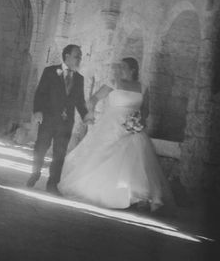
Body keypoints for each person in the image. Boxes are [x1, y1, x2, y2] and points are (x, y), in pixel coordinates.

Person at [58, 57, 174, 211]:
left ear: (133, 69)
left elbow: (145, 109)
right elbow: (93, 99)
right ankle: (108, 191)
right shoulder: (113, 83)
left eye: (123, 67)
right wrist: (90, 114)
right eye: (119, 67)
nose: (119, 69)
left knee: (136, 158)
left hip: (133, 126)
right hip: (112, 125)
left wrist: (140, 119)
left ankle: (137, 194)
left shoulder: (143, 87)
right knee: (105, 155)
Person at [27, 44, 93, 194]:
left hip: (66, 122)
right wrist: (38, 111)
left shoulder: (79, 79)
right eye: (77, 56)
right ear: (67, 56)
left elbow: (79, 101)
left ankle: (52, 183)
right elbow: (40, 93)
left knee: (60, 153)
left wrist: (86, 116)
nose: (79, 59)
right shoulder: (50, 71)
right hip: (48, 119)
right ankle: (35, 173)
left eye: (81, 56)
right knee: (40, 148)